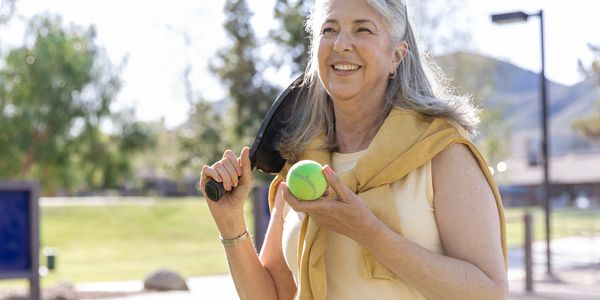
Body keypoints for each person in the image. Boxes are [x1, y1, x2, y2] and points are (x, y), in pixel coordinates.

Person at [199, 0, 508, 299]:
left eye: (363, 30)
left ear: (396, 56)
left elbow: (489, 294)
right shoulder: (302, 160)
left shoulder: (442, 151)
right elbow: (275, 296)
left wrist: (368, 232)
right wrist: (230, 221)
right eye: (329, 30)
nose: (341, 44)